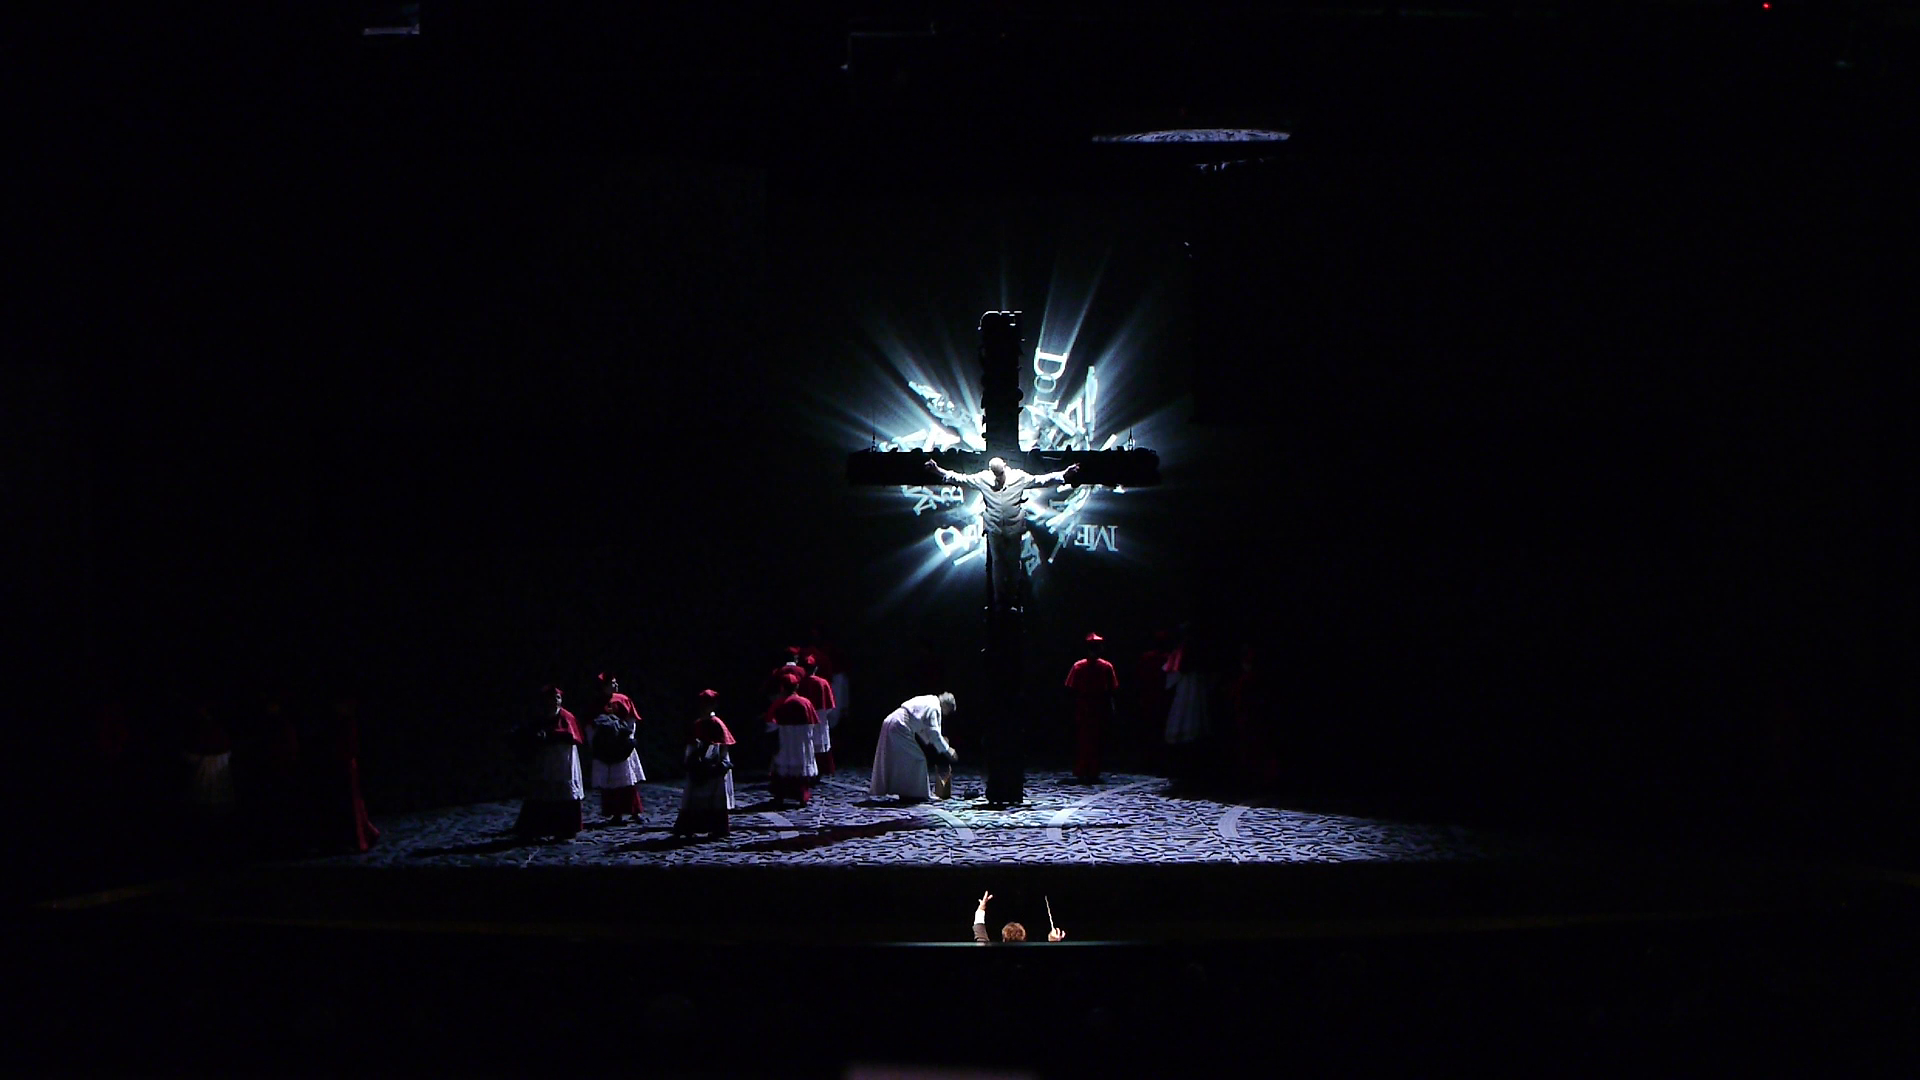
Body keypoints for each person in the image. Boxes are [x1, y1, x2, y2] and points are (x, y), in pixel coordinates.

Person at [925, 457, 1081, 611]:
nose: (998, 478)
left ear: (1005, 467)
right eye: (995, 474)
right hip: (994, 529)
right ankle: (1000, 602)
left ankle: (1012, 600)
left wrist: (1064, 474)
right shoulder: (983, 478)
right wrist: (937, 470)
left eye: (1000, 474)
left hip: (1013, 529)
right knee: (997, 565)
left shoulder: (1018, 477)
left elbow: (1042, 480)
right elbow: (959, 478)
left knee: (1013, 565)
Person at [515, 685, 585, 839]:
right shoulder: (541, 716)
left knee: (565, 792)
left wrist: (552, 735)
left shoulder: (566, 716)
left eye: (558, 698)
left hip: (564, 758)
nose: (555, 701)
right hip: (547, 758)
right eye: (552, 698)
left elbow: (571, 735)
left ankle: (567, 828)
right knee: (545, 791)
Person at [870, 693, 957, 803]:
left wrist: (937, 741)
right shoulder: (935, 707)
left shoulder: (929, 700)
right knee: (917, 759)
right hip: (900, 726)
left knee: (898, 758)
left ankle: (903, 790)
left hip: (891, 722)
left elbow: (924, 729)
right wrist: (947, 749)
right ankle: (915, 794)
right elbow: (933, 732)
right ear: (947, 706)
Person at [674, 690, 735, 837]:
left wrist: (719, 763)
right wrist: (691, 760)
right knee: (694, 796)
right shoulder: (698, 723)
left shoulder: (717, 723)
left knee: (715, 797)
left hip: (714, 764)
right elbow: (691, 744)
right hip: (699, 764)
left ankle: (717, 828)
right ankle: (690, 827)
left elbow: (723, 745)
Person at [1065, 633, 1118, 784]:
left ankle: (1084, 770)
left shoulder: (1079, 666)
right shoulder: (1106, 666)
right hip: (1095, 707)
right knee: (1095, 741)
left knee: (1085, 740)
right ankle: (1091, 771)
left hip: (1086, 707)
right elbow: (1112, 690)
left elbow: (1070, 688)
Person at [1163, 626, 1214, 783]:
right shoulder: (1186, 652)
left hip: (1187, 693)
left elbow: (1170, 676)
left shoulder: (1182, 652)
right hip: (1191, 692)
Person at [764, 672, 821, 809]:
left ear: (782, 687)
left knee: (783, 769)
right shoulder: (806, 702)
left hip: (785, 740)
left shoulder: (778, 703)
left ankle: (780, 796)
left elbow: (770, 724)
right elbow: (813, 724)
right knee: (801, 769)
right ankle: (802, 796)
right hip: (802, 741)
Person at [586, 699, 645, 827]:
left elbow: (631, 721)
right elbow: (591, 726)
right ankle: (615, 813)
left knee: (628, 782)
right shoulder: (596, 703)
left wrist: (626, 740)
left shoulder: (623, 699)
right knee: (610, 783)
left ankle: (634, 811)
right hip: (605, 748)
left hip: (622, 745)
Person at [971, 890, 1066, 944]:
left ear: (1003, 939)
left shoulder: (990, 957)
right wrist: (1053, 942)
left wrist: (981, 908)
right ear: (1024, 938)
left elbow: (980, 933)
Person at [798, 654, 837, 776]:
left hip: (804, 717)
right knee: (820, 741)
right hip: (820, 715)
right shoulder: (822, 682)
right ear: (816, 668)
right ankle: (821, 769)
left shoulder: (800, 682)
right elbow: (830, 705)